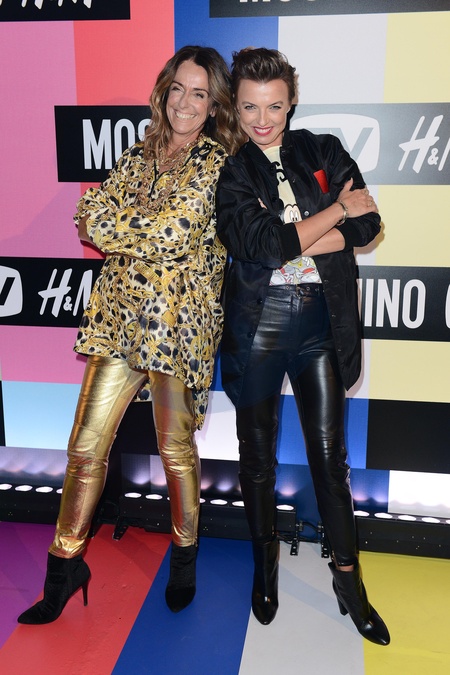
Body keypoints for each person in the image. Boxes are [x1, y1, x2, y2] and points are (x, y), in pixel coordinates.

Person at [18, 45, 243, 625]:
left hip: (178, 329)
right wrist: (121, 224)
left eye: (199, 93)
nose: (185, 103)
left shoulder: (217, 164)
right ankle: (64, 566)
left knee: (175, 452)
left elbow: (172, 236)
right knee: (84, 449)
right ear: (164, 91)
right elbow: (86, 217)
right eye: (178, 88)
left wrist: (116, 225)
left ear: (214, 104)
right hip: (118, 322)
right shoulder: (136, 154)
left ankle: (184, 555)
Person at [216, 47, 390, 645]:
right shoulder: (232, 171)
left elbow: (368, 225)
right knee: (256, 459)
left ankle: (349, 581)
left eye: (274, 106)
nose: (262, 120)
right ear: (236, 107)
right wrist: (336, 211)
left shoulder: (323, 150)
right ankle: (265, 570)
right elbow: (261, 244)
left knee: (330, 458)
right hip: (257, 328)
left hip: (320, 323)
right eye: (249, 108)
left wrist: (302, 235)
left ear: (291, 102)